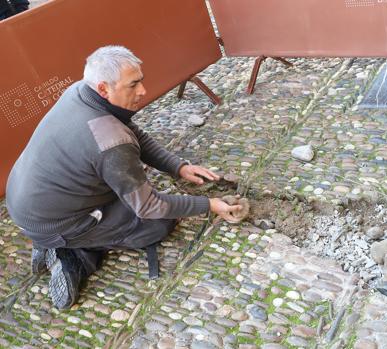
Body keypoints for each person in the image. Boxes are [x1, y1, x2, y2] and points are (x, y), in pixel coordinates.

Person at [6, 45, 242, 309]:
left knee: (130, 190)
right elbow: (150, 206)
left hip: (25, 198)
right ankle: (71, 255)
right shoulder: (110, 142)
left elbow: (131, 132)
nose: (142, 91)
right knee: (158, 224)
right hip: (55, 221)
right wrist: (209, 205)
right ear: (104, 89)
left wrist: (178, 167)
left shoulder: (79, 91)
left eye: (141, 80)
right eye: (133, 85)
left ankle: (53, 238)